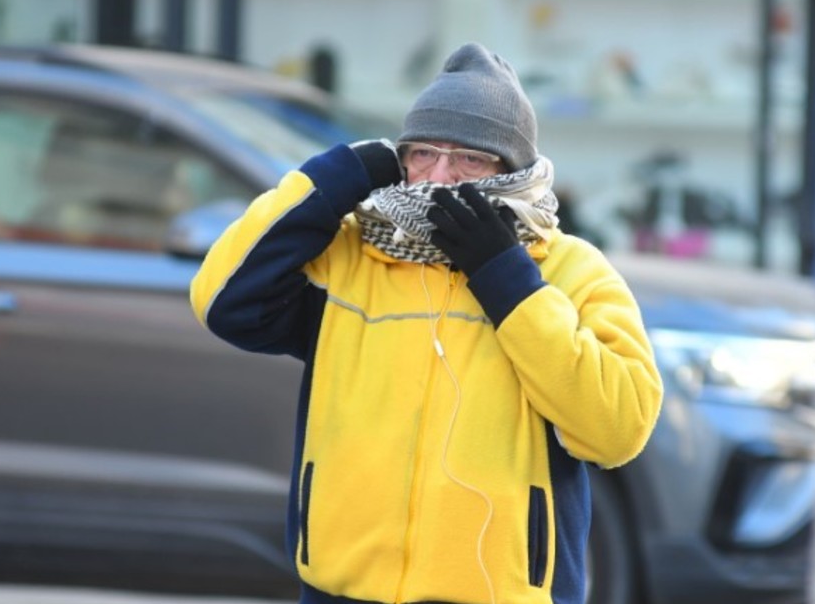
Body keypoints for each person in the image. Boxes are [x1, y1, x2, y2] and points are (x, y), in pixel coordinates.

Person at [190, 43, 662, 604]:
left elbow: (617, 427)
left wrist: (506, 279)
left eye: (468, 159)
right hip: (344, 588)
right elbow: (224, 301)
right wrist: (334, 178)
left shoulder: (571, 270)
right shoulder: (351, 257)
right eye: (422, 154)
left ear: (511, 170)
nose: (439, 177)